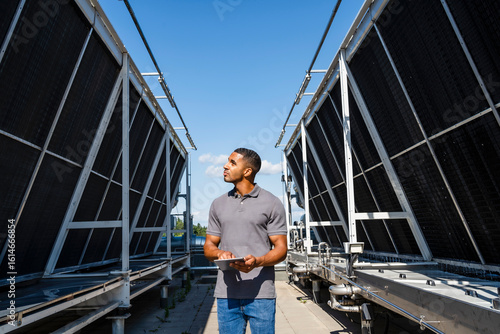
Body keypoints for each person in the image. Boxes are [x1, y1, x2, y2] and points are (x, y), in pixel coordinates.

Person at [204, 148, 287, 334]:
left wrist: (259, 261)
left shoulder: (272, 203)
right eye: (227, 161)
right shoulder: (218, 204)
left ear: (247, 171)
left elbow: (281, 248)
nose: (225, 166)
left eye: (232, 163)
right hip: (226, 296)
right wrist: (219, 253)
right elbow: (209, 246)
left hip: (261, 295)